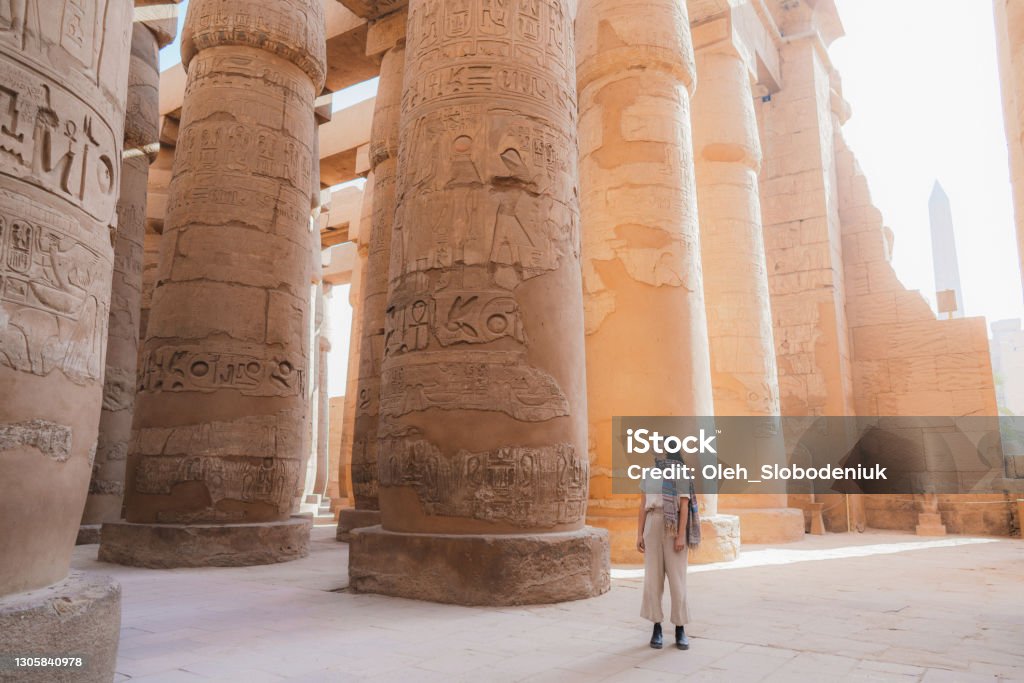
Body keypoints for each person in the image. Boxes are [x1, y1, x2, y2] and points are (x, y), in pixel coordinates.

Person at [637, 456, 699, 650]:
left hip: (673, 529)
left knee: (677, 580)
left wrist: (681, 536)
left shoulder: (681, 473)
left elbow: (684, 506)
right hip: (652, 524)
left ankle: (680, 627)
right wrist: (639, 534)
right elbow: (642, 505)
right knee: (653, 579)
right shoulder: (649, 473)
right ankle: (656, 627)